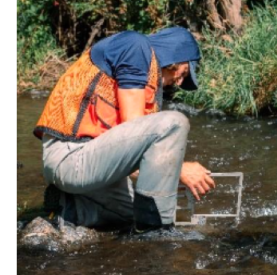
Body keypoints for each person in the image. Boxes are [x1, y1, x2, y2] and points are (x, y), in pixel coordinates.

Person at [34, 27, 214, 230]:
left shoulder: (146, 78)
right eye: (184, 74)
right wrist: (179, 169)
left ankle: (73, 207)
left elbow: (133, 155)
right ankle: (157, 235)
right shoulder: (135, 47)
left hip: (89, 163)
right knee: (174, 123)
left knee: (133, 214)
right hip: (70, 157)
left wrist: (164, 175)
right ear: (177, 56)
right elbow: (135, 129)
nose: (179, 82)